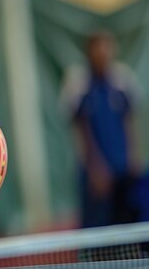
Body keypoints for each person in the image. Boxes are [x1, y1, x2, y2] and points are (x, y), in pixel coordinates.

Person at [61, 31, 143, 228]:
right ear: (89, 52)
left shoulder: (122, 79)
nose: (103, 53)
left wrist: (133, 157)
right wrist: (94, 168)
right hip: (95, 174)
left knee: (126, 224)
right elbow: (81, 129)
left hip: (122, 168)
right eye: (98, 48)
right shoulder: (78, 83)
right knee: (98, 227)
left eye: (108, 47)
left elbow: (128, 121)